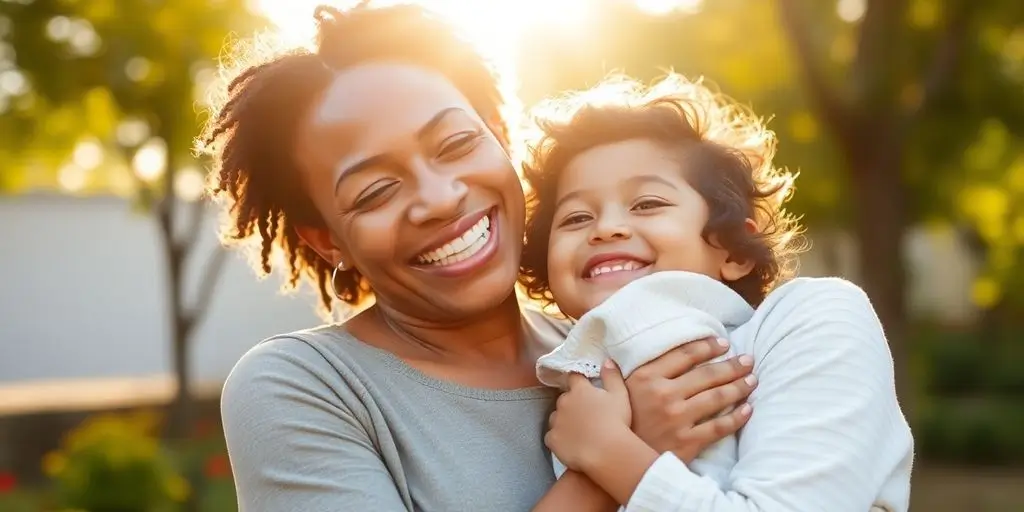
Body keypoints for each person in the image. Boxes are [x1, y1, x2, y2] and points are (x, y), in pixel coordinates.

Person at [199, 4, 757, 511]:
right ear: (326, 239)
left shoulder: (622, 346)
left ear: (499, 138)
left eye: (457, 145)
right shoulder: (305, 387)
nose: (440, 200)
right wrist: (616, 460)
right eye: (375, 192)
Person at [517, 73, 915, 511]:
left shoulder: (810, 319)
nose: (606, 227)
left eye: (648, 203)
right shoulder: (562, 392)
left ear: (731, 248)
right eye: (575, 218)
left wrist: (611, 455)